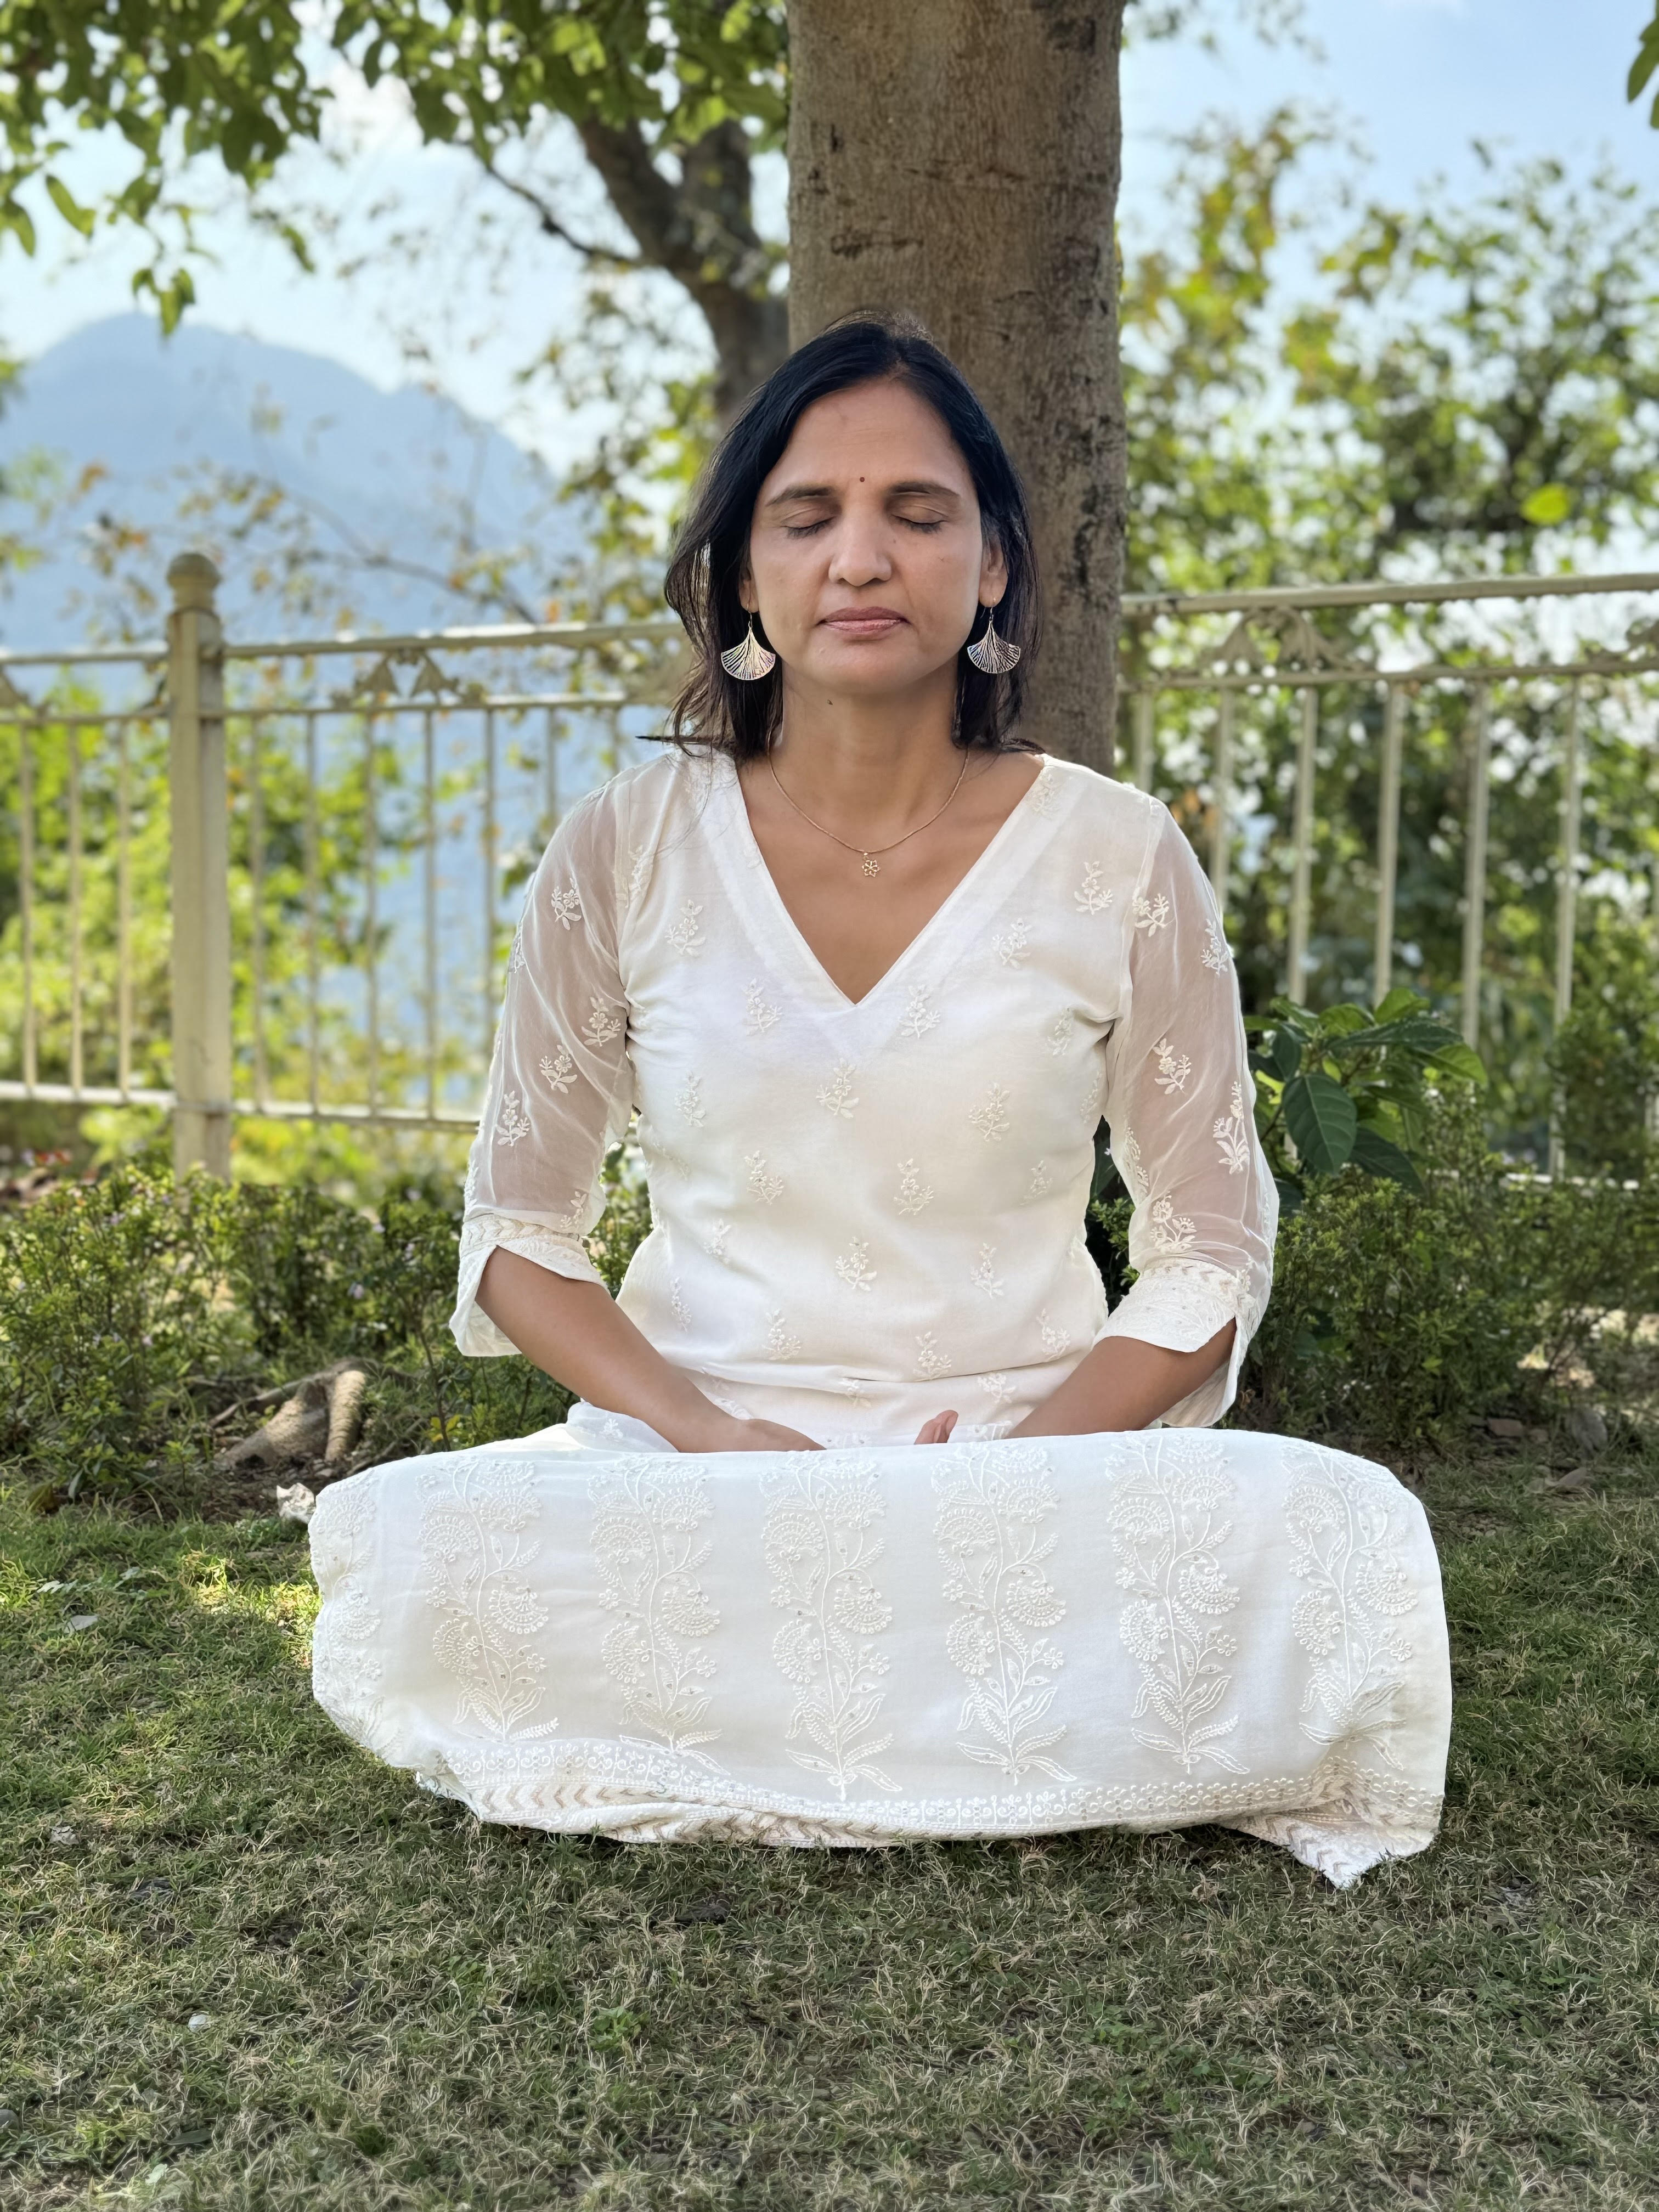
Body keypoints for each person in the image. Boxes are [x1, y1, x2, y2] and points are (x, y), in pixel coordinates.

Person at [309, 314, 1451, 1887]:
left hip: (1027, 1468)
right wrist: (708, 1436)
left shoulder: (1118, 857)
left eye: (917, 513)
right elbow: (517, 1240)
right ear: (745, 580)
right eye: (808, 516)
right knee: (413, 1538)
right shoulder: (624, 850)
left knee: (1337, 1526)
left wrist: (1013, 1466)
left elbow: (1206, 1253)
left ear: (991, 570)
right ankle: (982, 1728)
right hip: (698, 1485)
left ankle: (801, 1713)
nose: (862, 555)